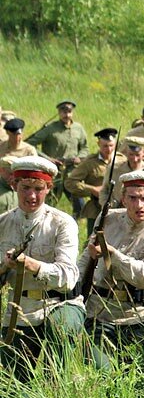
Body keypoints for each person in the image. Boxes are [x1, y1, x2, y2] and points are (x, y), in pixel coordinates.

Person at [0, 157, 84, 381]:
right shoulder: (3, 224)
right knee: (12, 385)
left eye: (39, 188)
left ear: (49, 188)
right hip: (20, 309)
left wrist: (32, 265)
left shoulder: (63, 223)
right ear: (13, 186)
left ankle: (56, 386)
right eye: (25, 188)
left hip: (60, 303)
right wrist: (4, 266)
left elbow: (68, 277)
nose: (32, 196)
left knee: (60, 331)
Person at [79, 170, 144, 361]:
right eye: (132, 198)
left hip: (140, 317)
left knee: (143, 379)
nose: (139, 205)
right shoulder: (107, 219)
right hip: (100, 314)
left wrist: (114, 256)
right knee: (100, 373)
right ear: (123, 199)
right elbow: (85, 260)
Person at [64, 128, 124, 234]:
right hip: (96, 209)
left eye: (111, 146)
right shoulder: (90, 162)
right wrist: (92, 189)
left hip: (121, 208)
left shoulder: (123, 161)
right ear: (98, 144)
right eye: (105, 146)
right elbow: (70, 183)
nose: (109, 149)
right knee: (92, 241)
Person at [101, 136, 144, 207]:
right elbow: (104, 191)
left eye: (137, 155)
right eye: (131, 154)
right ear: (126, 152)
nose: (134, 159)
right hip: (117, 212)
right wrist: (107, 205)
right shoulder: (114, 169)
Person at [26, 101, 89, 167]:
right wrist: (47, 159)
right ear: (59, 113)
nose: (67, 115)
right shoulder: (50, 128)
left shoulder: (78, 128)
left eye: (69, 112)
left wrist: (79, 158)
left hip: (73, 170)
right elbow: (29, 145)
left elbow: (84, 148)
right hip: (53, 168)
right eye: (64, 112)